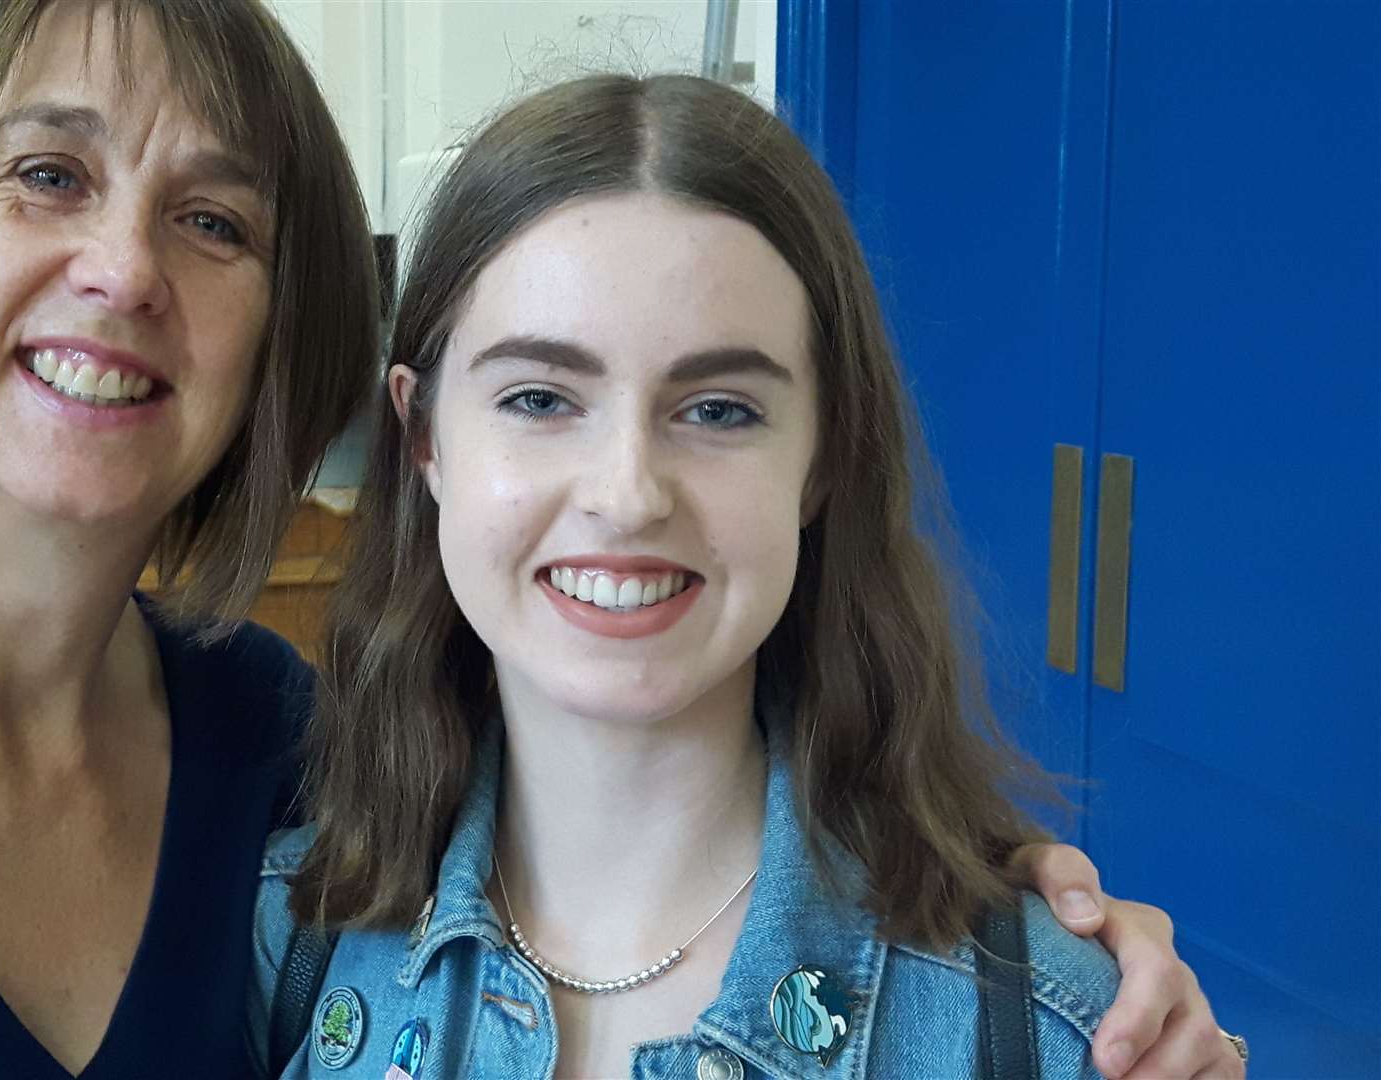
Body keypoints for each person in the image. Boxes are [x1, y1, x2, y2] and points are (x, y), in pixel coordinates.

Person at [0, 2, 1227, 1077]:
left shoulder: (280, 776)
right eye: (50, 174)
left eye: (213, 217)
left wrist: (1040, 943)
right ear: (421, 437)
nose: (127, 270)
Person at [251, 73, 1248, 1080]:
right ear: (424, 437)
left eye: (719, 409)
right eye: (542, 398)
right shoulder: (287, 946)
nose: (629, 494)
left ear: (822, 460)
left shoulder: (1057, 1028)